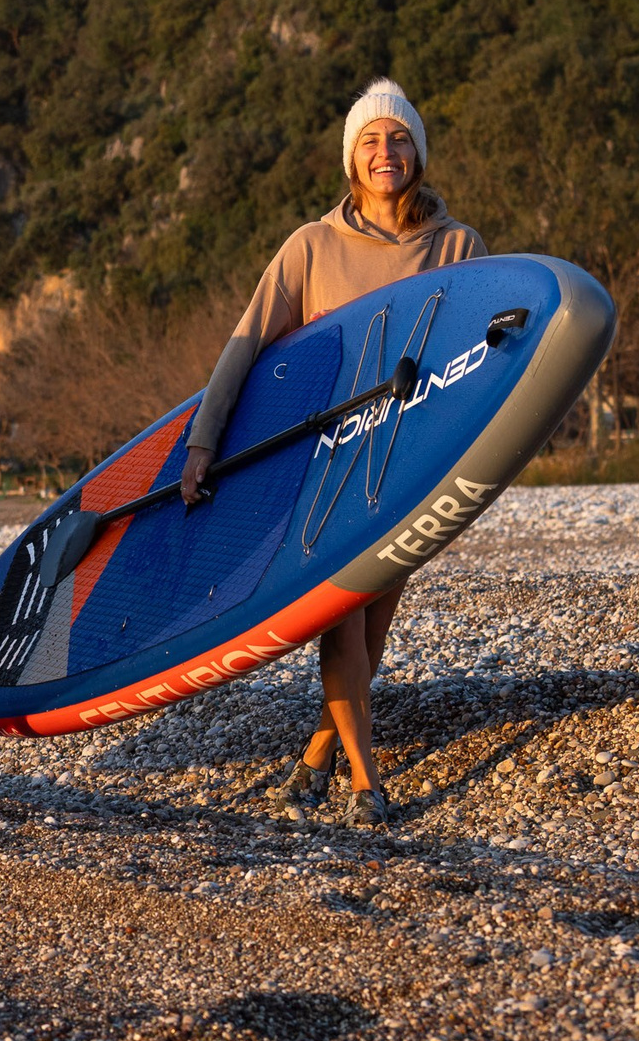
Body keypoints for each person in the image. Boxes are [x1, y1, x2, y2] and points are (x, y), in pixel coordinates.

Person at [177, 79, 485, 824]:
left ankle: (317, 757)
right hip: (325, 465)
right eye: (372, 141)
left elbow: (481, 355)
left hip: (408, 463)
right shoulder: (309, 248)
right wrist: (202, 443)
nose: (388, 152)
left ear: (419, 152)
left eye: (400, 138)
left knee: (372, 630)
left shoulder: (458, 246)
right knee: (340, 620)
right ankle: (365, 786)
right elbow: (246, 345)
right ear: (352, 158)